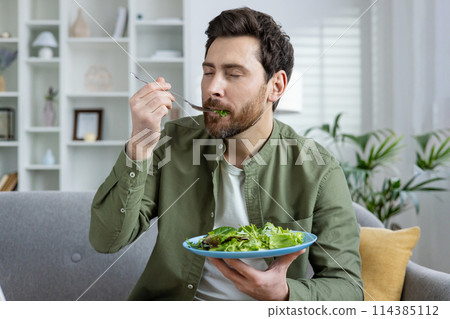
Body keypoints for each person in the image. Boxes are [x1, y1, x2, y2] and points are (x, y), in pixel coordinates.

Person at [89, 7, 363, 301]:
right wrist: (139, 145)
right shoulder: (170, 142)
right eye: (208, 72)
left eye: (233, 74)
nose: (213, 87)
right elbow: (106, 240)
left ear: (276, 86)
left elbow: (348, 287)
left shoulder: (317, 169)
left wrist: (284, 294)